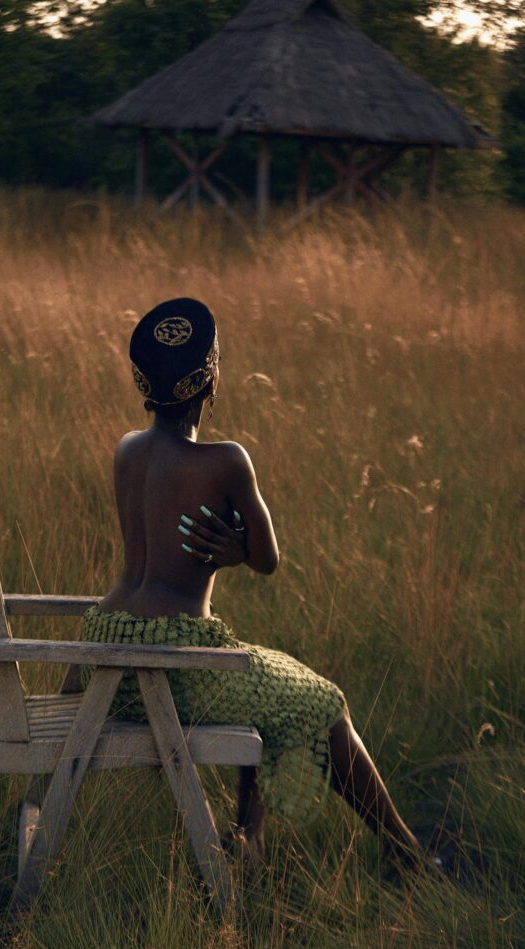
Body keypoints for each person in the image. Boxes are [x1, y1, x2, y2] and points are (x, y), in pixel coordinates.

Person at [80, 297, 434, 874]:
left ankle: (251, 838)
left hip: (110, 654)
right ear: (211, 381)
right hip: (172, 669)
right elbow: (269, 560)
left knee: (266, 678)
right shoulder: (226, 461)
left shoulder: (127, 449)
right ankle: (405, 852)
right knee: (325, 703)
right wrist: (238, 551)